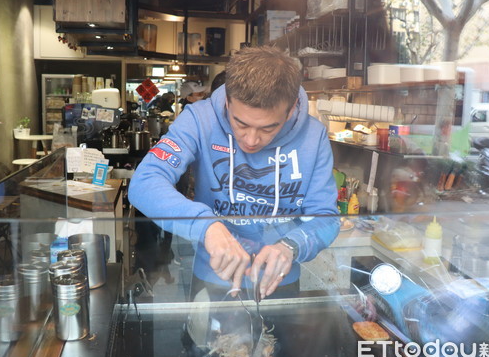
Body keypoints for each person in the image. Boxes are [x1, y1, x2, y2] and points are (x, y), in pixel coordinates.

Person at [129, 46, 339, 300]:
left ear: (292, 108)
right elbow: (144, 183)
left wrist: (291, 246)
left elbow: (326, 216)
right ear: (227, 100)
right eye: (240, 123)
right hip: (213, 274)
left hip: (278, 279)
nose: (251, 140)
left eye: (268, 128)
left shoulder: (314, 136)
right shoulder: (199, 119)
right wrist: (206, 226)